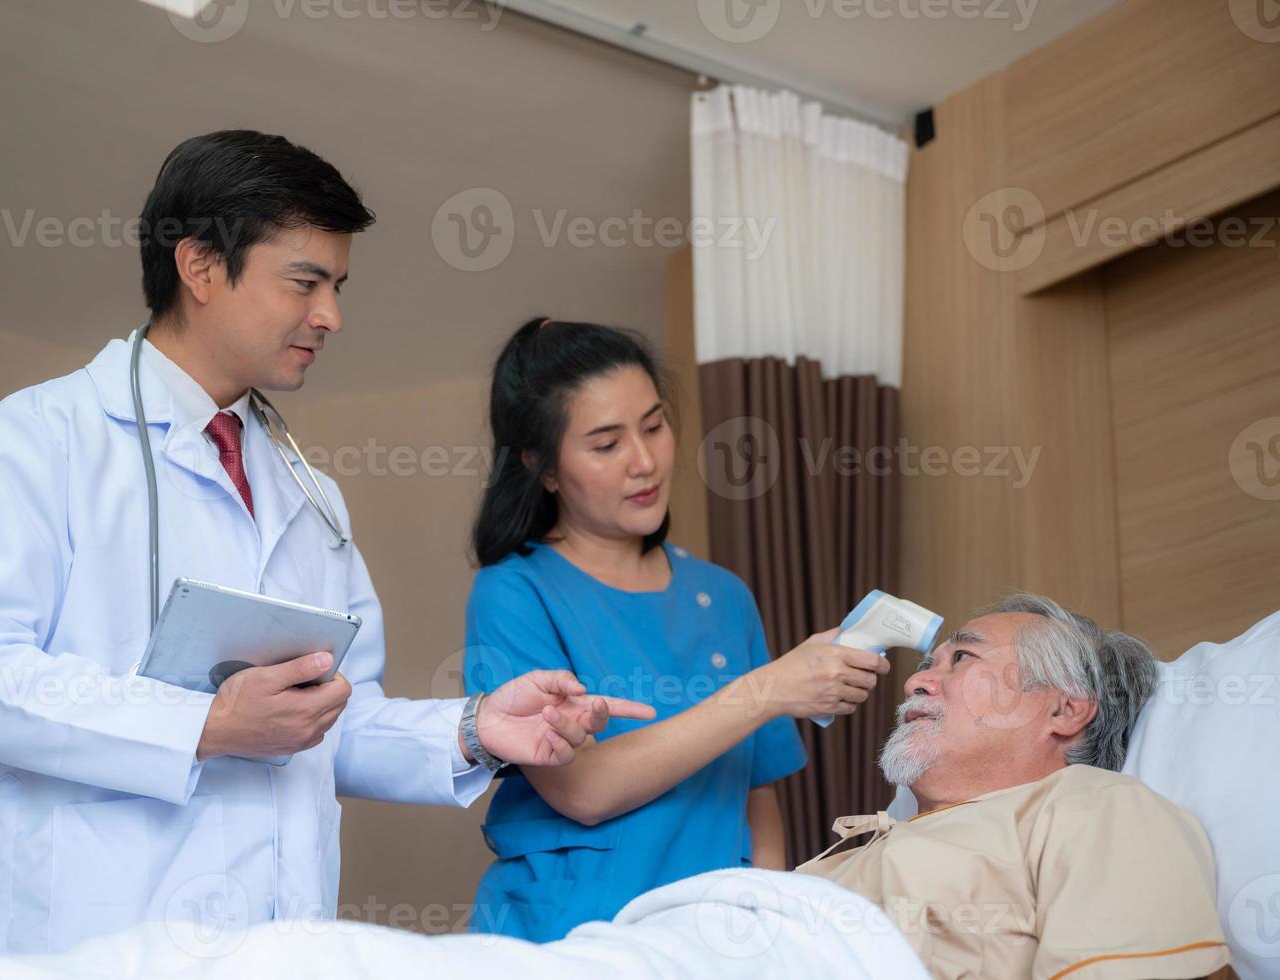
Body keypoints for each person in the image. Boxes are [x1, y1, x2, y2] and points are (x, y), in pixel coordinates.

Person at [0, 132, 651, 955]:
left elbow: (333, 720)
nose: (330, 316)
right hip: (89, 929)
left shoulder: (306, 491)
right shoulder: (39, 438)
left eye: (335, 285)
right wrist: (204, 726)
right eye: (305, 282)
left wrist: (476, 730)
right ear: (199, 266)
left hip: (275, 942)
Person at [462, 317, 892, 941]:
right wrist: (767, 690)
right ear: (544, 468)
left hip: (716, 939)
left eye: (655, 426)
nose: (645, 461)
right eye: (607, 445)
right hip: (572, 935)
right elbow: (582, 789)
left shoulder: (723, 597)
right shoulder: (515, 593)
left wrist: (768, 929)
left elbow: (758, 798)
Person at [797, 592, 1232, 979]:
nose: (915, 682)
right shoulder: (859, 852)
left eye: (963, 657)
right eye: (928, 665)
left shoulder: (1099, 811)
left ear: (1065, 710)